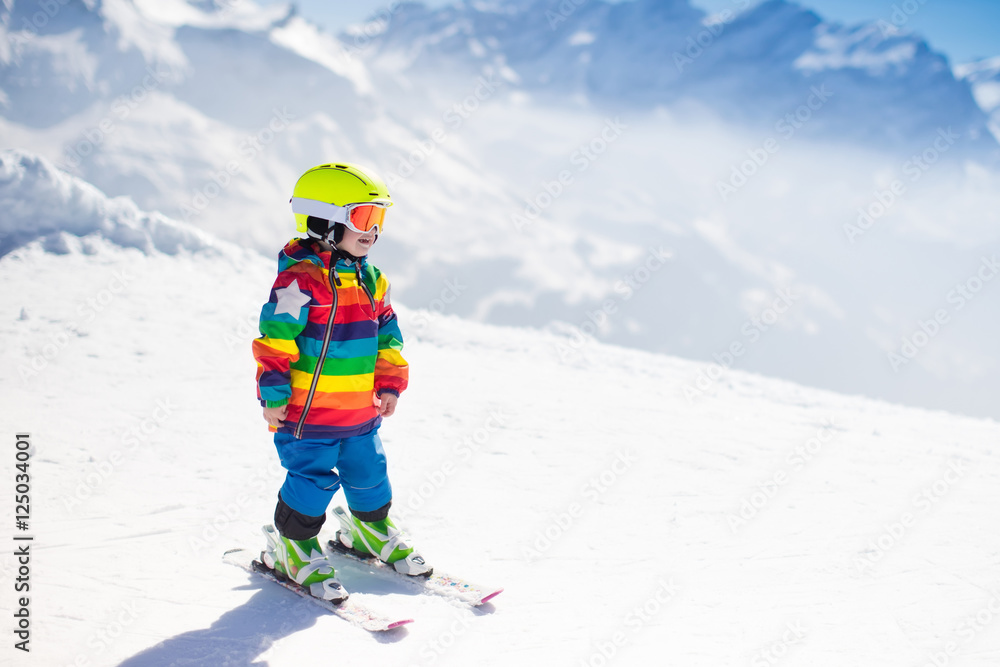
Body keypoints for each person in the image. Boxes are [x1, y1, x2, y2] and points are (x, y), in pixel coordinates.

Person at [252, 162, 429, 602]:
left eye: (378, 220)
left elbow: (388, 335)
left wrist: (390, 384)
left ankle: (368, 532)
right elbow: (275, 339)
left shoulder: (372, 279)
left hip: (359, 414)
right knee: (310, 482)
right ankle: (293, 547)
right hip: (307, 417)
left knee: (370, 475)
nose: (372, 231)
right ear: (323, 220)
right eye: (363, 218)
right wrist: (272, 393)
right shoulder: (300, 280)